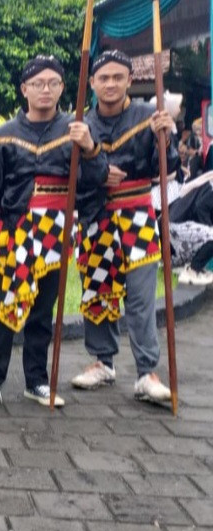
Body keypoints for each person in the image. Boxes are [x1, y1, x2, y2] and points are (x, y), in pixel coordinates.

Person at [0, 55, 108, 408]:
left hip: (57, 230)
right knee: (7, 304)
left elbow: (96, 180)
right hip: (15, 229)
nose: (45, 90)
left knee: (43, 310)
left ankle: (36, 380)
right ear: (24, 89)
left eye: (52, 83)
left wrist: (90, 148)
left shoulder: (75, 129)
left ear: (63, 87)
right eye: (38, 84)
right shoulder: (5, 135)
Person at [70, 51, 177, 404]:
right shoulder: (83, 124)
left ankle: (147, 370)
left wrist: (166, 137)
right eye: (104, 78)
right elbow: (72, 180)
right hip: (97, 217)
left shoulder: (149, 116)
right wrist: (97, 173)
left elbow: (166, 167)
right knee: (98, 290)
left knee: (141, 297)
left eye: (118, 77)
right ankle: (102, 361)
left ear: (130, 80)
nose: (111, 84)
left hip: (138, 215)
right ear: (92, 84)